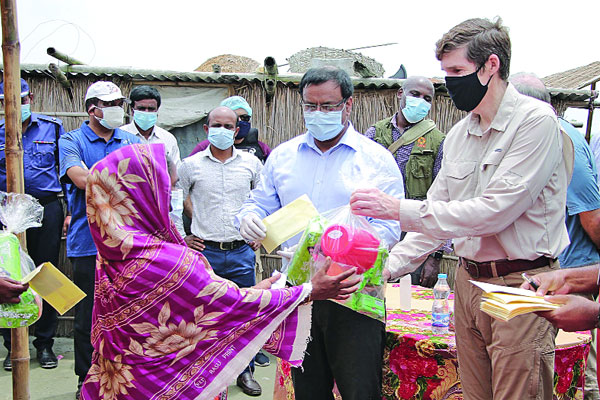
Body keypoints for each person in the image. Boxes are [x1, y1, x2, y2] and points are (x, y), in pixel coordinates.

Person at [350, 17, 570, 400]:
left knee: (519, 393)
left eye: (457, 71)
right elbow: (437, 213)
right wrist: (386, 267)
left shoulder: (535, 124)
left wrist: (396, 209)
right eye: (445, 73)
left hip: (520, 282)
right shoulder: (459, 133)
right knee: (474, 393)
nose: (449, 82)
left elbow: (494, 213)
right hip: (467, 283)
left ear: (491, 66)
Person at [78, 143, 360, 400]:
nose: (173, 198)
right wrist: (309, 290)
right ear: (140, 195)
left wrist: (264, 289)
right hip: (167, 387)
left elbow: (201, 303)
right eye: (168, 189)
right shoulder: (167, 261)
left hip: (119, 386)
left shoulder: (113, 254)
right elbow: (230, 307)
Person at [237, 66, 403, 400]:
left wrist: (344, 251)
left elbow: (390, 227)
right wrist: (249, 218)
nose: (318, 114)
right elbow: (259, 203)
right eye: (310, 106)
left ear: (348, 105)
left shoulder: (376, 160)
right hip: (300, 294)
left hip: (354, 294)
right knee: (308, 389)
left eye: (327, 106)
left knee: (360, 390)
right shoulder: (283, 157)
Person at [510, 71, 600, 400]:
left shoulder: (557, 139)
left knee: (574, 375)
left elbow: (591, 218)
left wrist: (585, 283)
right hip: (566, 275)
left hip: (572, 272)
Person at [59, 81, 141, 397]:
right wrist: (120, 176)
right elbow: (80, 179)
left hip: (127, 242)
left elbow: (145, 180)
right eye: (110, 104)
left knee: (127, 312)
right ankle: (86, 377)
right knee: (86, 316)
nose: (116, 109)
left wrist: (103, 176)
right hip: (87, 242)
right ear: (91, 109)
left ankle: (123, 376)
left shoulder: (130, 139)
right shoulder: (72, 140)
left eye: (120, 102)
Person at [177, 106, 265, 396]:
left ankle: (245, 372)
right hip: (205, 253)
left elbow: (267, 200)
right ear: (206, 129)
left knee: (245, 314)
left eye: (229, 126)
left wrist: (262, 233)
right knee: (201, 316)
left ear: (237, 130)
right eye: (217, 125)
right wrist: (182, 237)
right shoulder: (190, 165)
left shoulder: (252, 165)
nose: (223, 131)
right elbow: (173, 202)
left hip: (241, 253)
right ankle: (203, 374)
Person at [0, 78, 65, 371]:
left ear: (31, 98)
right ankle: (13, 345)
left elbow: (62, 172)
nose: (17, 106)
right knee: (7, 276)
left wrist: (68, 212)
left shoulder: (51, 128)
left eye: (22, 100)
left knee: (44, 274)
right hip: (5, 214)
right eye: (9, 102)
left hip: (45, 210)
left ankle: (45, 344)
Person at [365, 75, 447, 287]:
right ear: (400, 94)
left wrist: (434, 257)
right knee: (370, 288)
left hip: (415, 232)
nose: (420, 101)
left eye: (427, 98)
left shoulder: (438, 141)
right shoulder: (375, 133)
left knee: (409, 299)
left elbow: (442, 201)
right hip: (377, 228)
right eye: (415, 94)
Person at [189, 96, 271, 162]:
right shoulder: (205, 147)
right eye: (235, 117)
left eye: (244, 117)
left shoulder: (261, 147)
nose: (240, 121)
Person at [120, 85, 181, 165]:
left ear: (157, 111)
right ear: (132, 111)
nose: (146, 112)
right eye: (141, 108)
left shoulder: (168, 139)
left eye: (151, 109)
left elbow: (175, 171)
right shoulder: (120, 137)